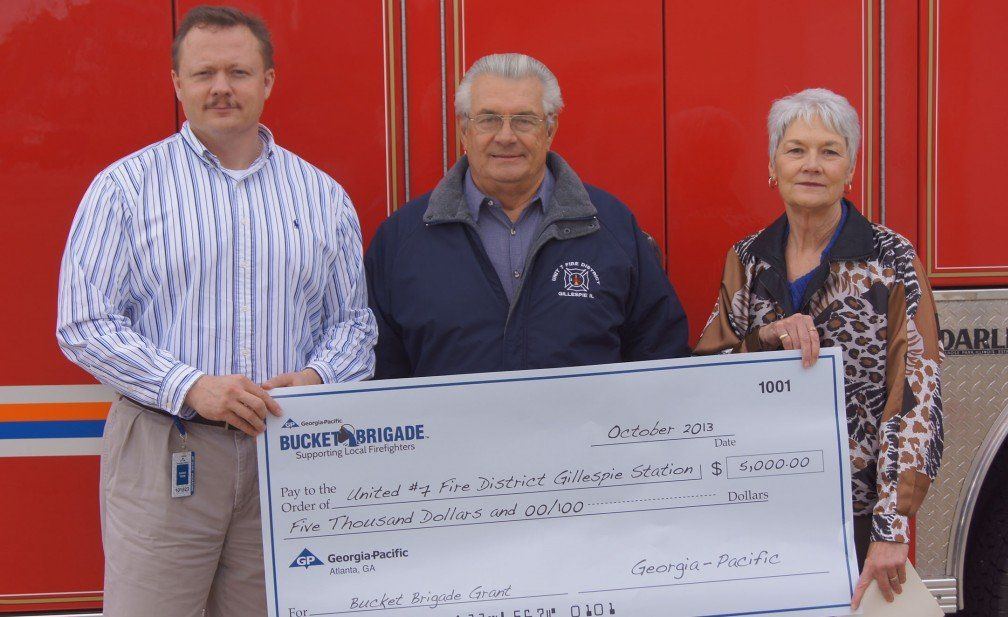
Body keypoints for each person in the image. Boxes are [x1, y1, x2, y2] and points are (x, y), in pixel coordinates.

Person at [56, 6, 376, 616]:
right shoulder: (125, 188)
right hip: (165, 445)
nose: (222, 87)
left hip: (286, 452)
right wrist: (191, 387)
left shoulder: (322, 195)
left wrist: (316, 379)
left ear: (268, 82)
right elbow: (84, 323)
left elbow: (354, 325)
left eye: (239, 71)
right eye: (204, 73)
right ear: (176, 84)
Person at [694, 88, 944, 609]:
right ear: (772, 166)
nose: (812, 165)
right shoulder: (747, 260)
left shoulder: (891, 259)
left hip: (856, 522)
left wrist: (892, 528)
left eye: (829, 151)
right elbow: (706, 378)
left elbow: (918, 394)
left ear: (850, 168)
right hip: (759, 512)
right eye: (796, 150)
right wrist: (762, 339)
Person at [365, 53, 689, 378]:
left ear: (550, 130)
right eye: (488, 119)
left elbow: (661, 354)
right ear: (464, 130)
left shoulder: (610, 226)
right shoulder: (401, 240)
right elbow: (378, 374)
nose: (506, 137)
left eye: (523, 119)